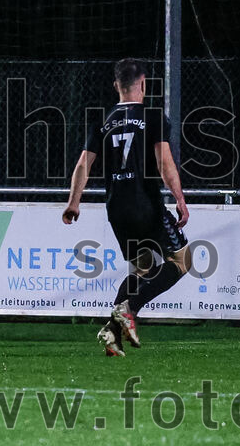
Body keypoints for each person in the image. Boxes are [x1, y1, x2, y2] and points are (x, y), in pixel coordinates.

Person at [63, 59, 191, 356]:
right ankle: (129, 308)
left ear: (116, 86)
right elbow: (164, 162)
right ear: (144, 84)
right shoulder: (153, 116)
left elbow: (84, 164)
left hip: (117, 209)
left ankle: (111, 332)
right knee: (182, 261)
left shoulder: (103, 121)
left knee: (144, 268)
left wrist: (73, 202)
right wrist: (180, 198)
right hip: (145, 203)